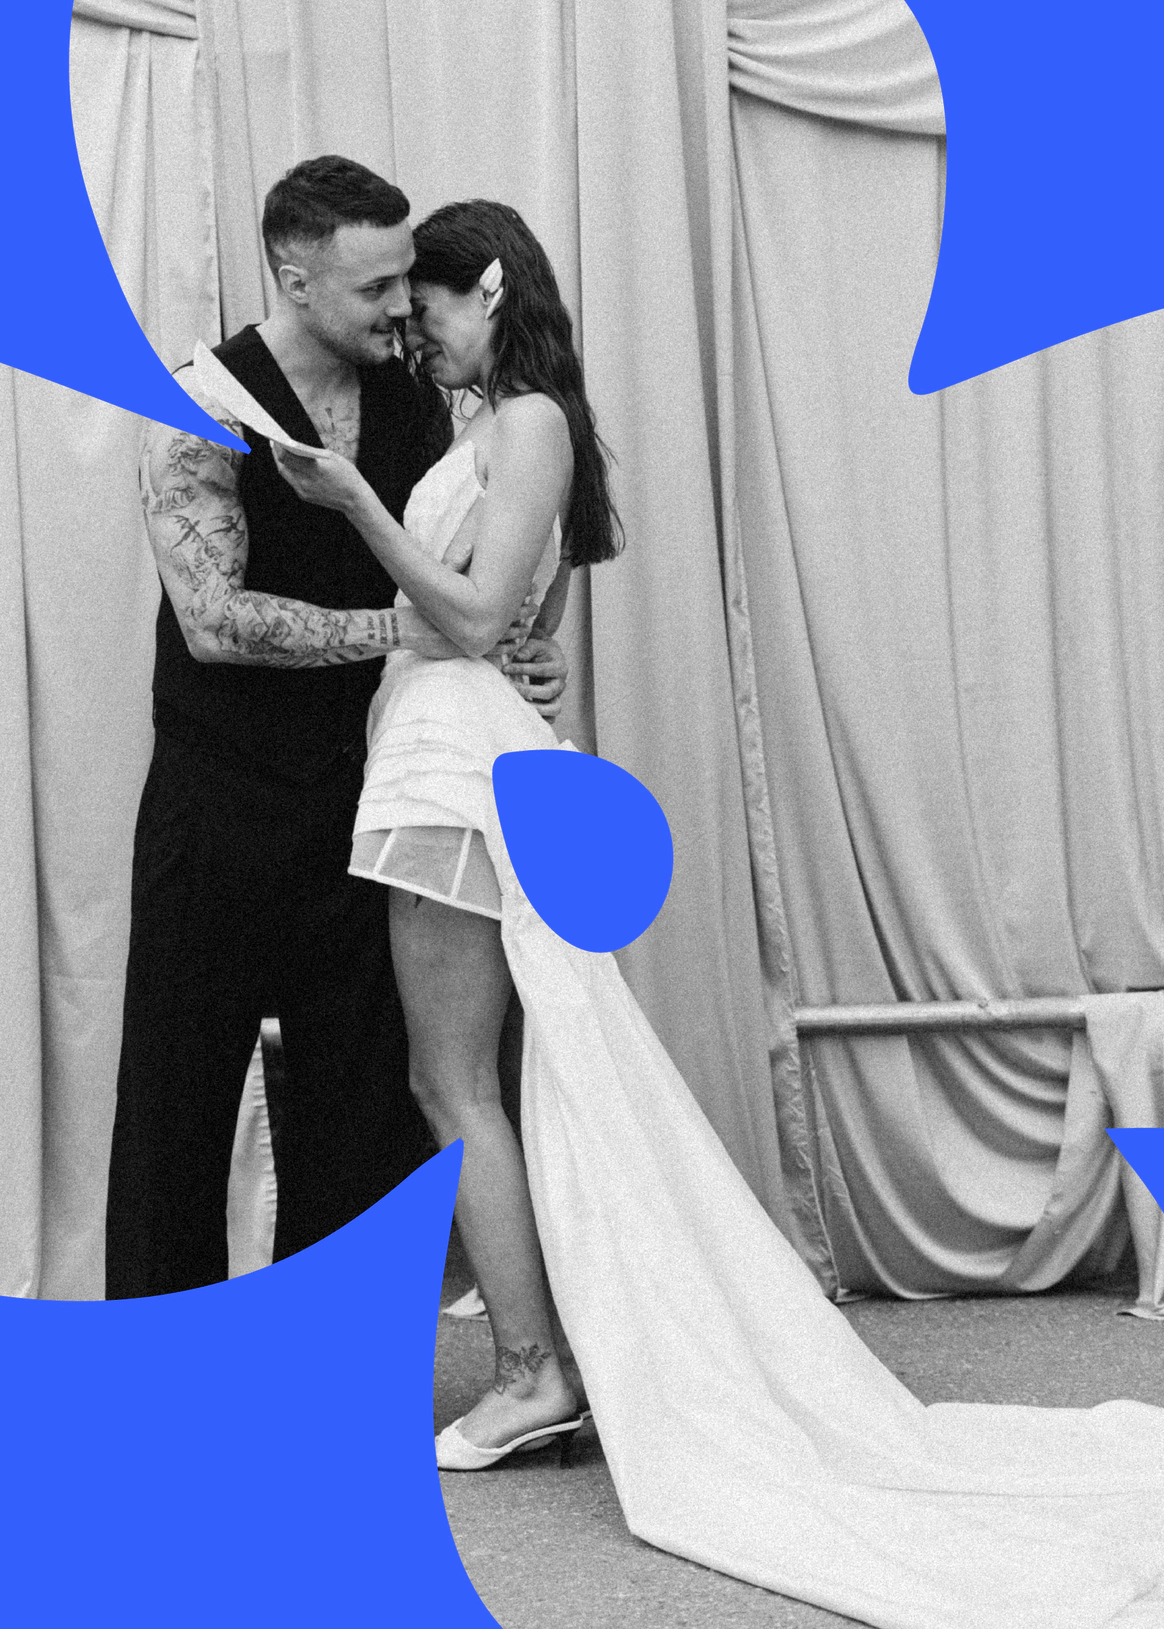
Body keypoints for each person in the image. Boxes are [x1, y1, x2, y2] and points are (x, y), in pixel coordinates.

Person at [274, 199, 1164, 1628]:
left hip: (450, 764)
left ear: (486, 290)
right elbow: (518, 624)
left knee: (455, 1085)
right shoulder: (496, 426)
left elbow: (477, 612)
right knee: (493, 1079)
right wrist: (512, 636)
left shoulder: (532, 422)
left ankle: (532, 1370)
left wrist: (357, 508)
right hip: (447, 746)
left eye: (426, 307)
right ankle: (551, 1354)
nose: (412, 334)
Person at [105, 157, 567, 1300]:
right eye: (375, 288)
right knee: (176, 1109)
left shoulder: (420, 397)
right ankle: (159, 1374)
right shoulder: (200, 402)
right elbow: (213, 622)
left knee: (359, 1118)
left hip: (367, 808)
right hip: (217, 809)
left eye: (407, 278)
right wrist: (406, 633)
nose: (403, 305)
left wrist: (519, 648)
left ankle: (330, 1366)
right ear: (294, 276)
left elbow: (484, 553)